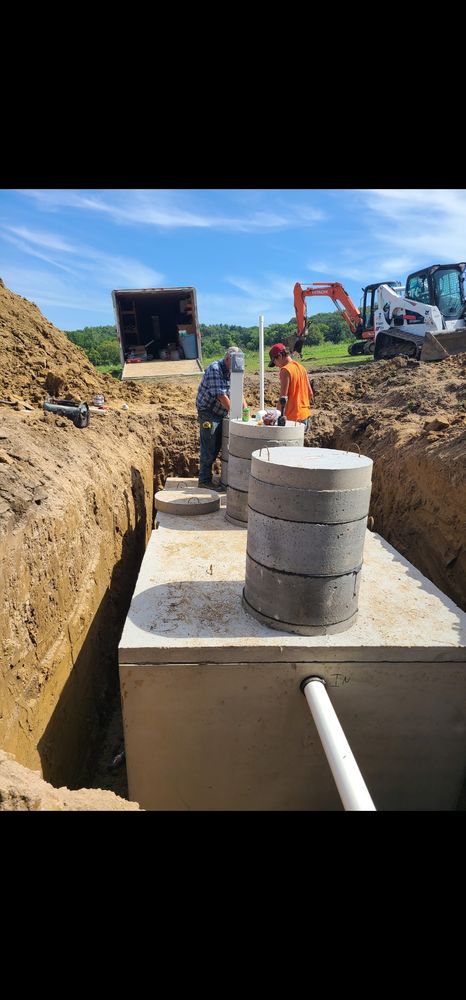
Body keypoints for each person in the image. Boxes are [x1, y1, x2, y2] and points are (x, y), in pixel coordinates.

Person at [196, 346, 245, 489]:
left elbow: (238, 391)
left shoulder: (231, 370)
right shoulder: (215, 369)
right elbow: (221, 395)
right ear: (228, 358)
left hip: (220, 412)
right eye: (234, 362)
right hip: (208, 412)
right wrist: (235, 413)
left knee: (217, 445)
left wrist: (245, 411)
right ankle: (204, 480)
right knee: (209, 446)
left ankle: (208, 478)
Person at [268, 342, 314, 431]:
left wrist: (276, 416)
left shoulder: (285, 370)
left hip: (293, 420)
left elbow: (283, 398)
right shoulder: (301, 368)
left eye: (275, 362)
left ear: (279, 356)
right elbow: (310, 393)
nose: (276, 366)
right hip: (306, 416)